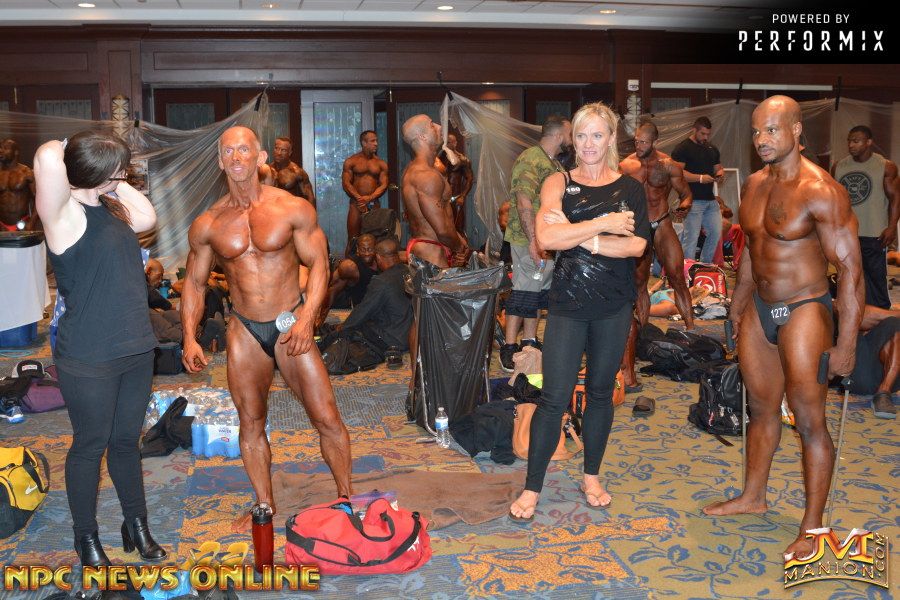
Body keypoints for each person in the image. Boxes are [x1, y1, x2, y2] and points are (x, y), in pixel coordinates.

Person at [702, 96, 864, 562]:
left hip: (804, 308)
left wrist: (847, 343)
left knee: (809, 420)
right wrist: (737, 305)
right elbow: (751, 251)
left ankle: (813, 526)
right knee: (760, 408)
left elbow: (850, 270)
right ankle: (754, 495)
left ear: (796, 130)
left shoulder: (822, 190)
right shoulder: (753, 184)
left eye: (772, 130)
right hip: (760, 306)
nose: (762, 140)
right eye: (757, 132)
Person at [181, 126, 352, 532]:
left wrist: (308, 317)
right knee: (251, 422)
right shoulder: (208, 223)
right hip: (244, 328)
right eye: (228, 151)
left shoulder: (291, 208)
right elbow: (194, 283)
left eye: (244, 149)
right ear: (220, 161)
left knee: (326, 416)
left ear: (259, 158)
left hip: (290, 319)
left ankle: (346, 499)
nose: (236, 157)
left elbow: (320, 263)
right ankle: (264, 504)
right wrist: (189, 336)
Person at [508, 102, 650, 522]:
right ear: (574, 139)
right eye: (582, 135)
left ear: (610, 139)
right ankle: (532, 487)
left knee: (602, 394)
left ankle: (591, 476)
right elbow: (547, 237)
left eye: (597, 135)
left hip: (613, 304)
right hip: (568, 304)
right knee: (553, 397)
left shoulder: (631, 188)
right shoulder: (558, 181)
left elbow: (637, 246)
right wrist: (604, 223)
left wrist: (578, 235)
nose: (589, 144)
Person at [33, 131, 165, 566]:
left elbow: (148, 217)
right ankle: (85, 537)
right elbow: (47, 157)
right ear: (91, 169)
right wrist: (73, 146)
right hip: (89, 354)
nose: (124, 174)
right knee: (90, 446)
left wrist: (113, 177)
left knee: (126, 442)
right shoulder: (62, 215)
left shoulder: (112, 208)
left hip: (135, 347)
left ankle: (136, 524)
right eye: (117, 169)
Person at [619, 120, 694, 391]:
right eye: (636, 141)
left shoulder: (668, 165)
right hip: (638, 227)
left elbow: (686, 194)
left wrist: (684, 205)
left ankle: (691, 329)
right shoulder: (626, 165)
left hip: (662, 223)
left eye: (643, 142)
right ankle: (643, 335)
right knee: (639, 284)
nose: (638, 146)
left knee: (677, 276)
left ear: (655, 142)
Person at [499, 115, 572, 372]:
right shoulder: (530, 159)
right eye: (570, 133)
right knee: (523, 290)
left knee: (537, 292)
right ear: (559, 135)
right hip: (527, 238)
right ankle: (509, 346)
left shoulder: (553, 163)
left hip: (548, 239)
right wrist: (533, 241)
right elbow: (524, 203)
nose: (572, 138)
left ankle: (529, 341)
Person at [832, 126, 900, 310]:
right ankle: (852, 312)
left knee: (875, 278)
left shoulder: (885, 166)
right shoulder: (839, 166)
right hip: (846, 233)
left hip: (873, 233)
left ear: (869, 142)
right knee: (848, 277)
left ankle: (881, 316)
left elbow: (895, 198)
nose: (851, 145)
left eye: (856, 141)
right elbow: (832, 200)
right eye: (849, 141)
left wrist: (892, 227)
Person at [400, 114, 469, 268]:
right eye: (432, 124)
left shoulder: (416, 170)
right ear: (422, 136)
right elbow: (442, 231)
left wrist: (457, 237)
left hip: (432, 247)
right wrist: (459, 248)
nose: (439, 126)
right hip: (431, 252)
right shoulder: (425, 176)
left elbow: (440, 216)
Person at [336, 237, 413, 353]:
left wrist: (343, 328)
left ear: (378, 257)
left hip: (391, 340)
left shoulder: (381, 281)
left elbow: (364, 311)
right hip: (411, 337)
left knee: (356, 326)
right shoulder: (409, 272)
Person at [672, 116, 725, 264]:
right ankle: (687, 270)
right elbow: (676, 173)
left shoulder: (712, 148)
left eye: (708, 134)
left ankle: (705, 266)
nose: (705, 137)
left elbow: (718, 168)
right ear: (694, 130)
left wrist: (720, 174)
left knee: (715, 233)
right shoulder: (682, 148)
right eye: (702, 133)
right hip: (692, 200)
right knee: (691, 238)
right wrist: (700, 178)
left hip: (710, 200)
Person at [342, 130, 388, 243]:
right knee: (353, 240)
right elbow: (346, 183)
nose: (376, 143)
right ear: (364, 143)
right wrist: (360, 199)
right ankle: (351, 256)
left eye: (376, 141)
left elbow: (384, 184)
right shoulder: (351, 161)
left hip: (373, 203)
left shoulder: (381, 163)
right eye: (373, 141)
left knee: (375, 240)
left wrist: (369, 198)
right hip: (356, 204)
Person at [322, 233, 378, 315]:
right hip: (360, 311)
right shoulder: (350, 267)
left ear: (376, 248)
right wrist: (323, 314)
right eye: (363, 250)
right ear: (357, 249)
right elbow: (333, 288)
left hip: (379, 307)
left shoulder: (382, 260)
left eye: (370, 249)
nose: (367, 253)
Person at [258, 137, 316, 207]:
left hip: (291, 210)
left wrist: (309, 213)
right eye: (276, 148)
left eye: (283, 150)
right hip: (272, 210)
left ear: (290, 153)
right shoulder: (267, 170)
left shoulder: (297, 172)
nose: (279, 153)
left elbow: (310, 197)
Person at [436, 133, 474, 233]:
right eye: (445, 142)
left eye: (449, 142)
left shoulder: (462, 160)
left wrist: (462, 196)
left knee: (457, 226)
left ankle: (461, 241)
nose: (446, 144)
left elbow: (470, 179)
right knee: (442, 227)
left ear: (455, 143)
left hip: (455, 197)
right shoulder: (439, 158)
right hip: (440, 198)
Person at [0, 138, 37, 230]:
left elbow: (39, 200)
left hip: (22, 224)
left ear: (16, 152)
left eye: (5, 148)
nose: (1, 151)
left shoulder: (26, 172)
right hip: (1, 226)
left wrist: (31, 222)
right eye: (0, 148)